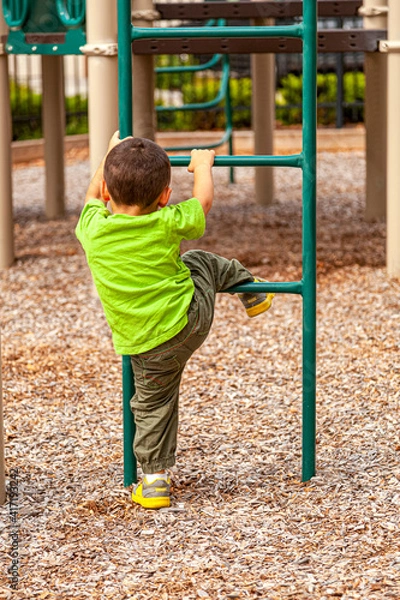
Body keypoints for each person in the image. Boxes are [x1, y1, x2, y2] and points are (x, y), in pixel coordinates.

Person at [75, 132, 275, 509]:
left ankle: (153, 482)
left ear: (106, 190)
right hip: (188, 320)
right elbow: (203, 202)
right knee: (199, 260)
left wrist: (106, 154)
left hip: (144, 342)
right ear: (165, 196)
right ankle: (250, 289)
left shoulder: (92, 229)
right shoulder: (167, 220)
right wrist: (202, 166)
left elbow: (90, 197)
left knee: (152, 404)